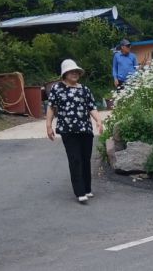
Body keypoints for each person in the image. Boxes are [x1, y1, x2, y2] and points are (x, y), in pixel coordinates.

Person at [46, 59, 104, 204]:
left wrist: (98, 120)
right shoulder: (57, 88)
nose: (74, 73)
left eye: (76, 71)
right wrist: (48, 126)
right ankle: (79, 192)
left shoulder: (84, 89)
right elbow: (51, 107)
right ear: (64, 74)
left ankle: (87, 188)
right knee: (75, 159)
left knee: (85, 159)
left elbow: (92, 107)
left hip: (85, 129)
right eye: (71, 71)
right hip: (68, 130)